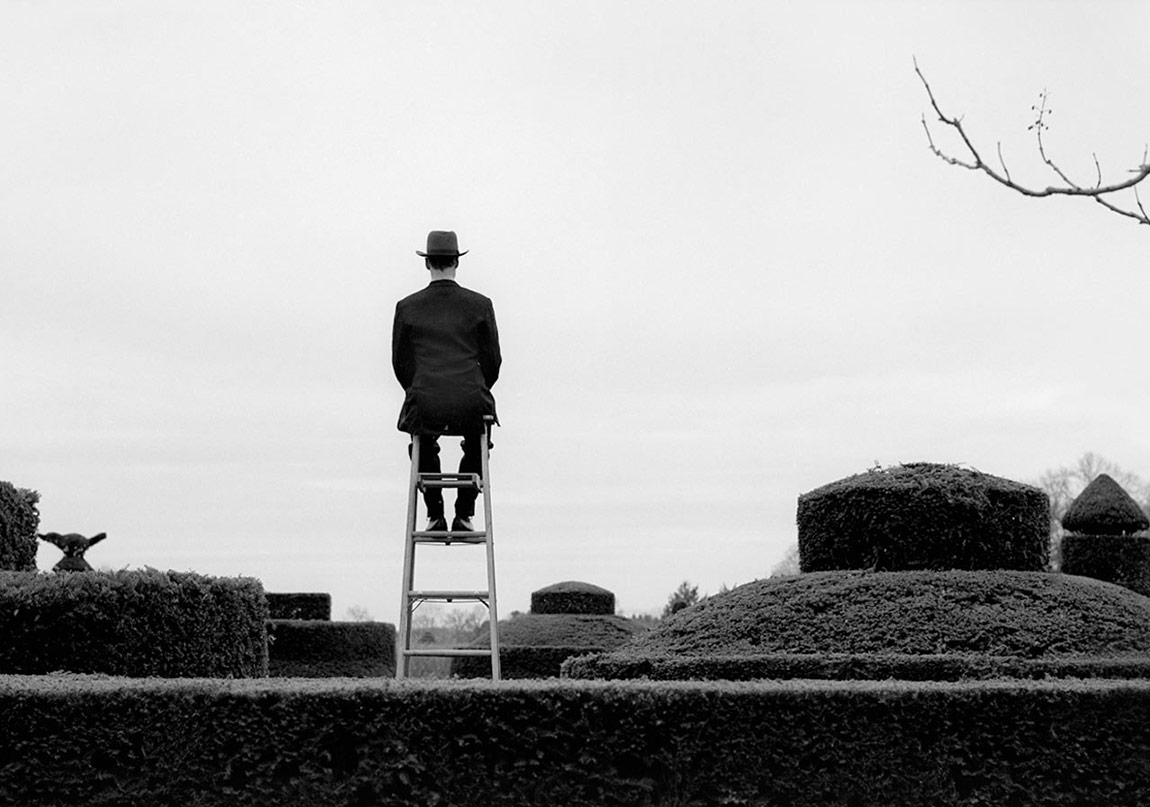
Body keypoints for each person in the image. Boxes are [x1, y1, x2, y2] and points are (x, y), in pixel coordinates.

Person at [392, 230, 501, 532]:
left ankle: (434, 514)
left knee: (423, 442)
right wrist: (472, 387)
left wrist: (422, 389)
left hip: (425, 400)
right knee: (478, 441)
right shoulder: (480, 305)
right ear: (457, 261)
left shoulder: (407, 307)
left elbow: (400, 363)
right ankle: (464, 513)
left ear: (427, 263)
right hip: (470, 400)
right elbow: (493, 361)